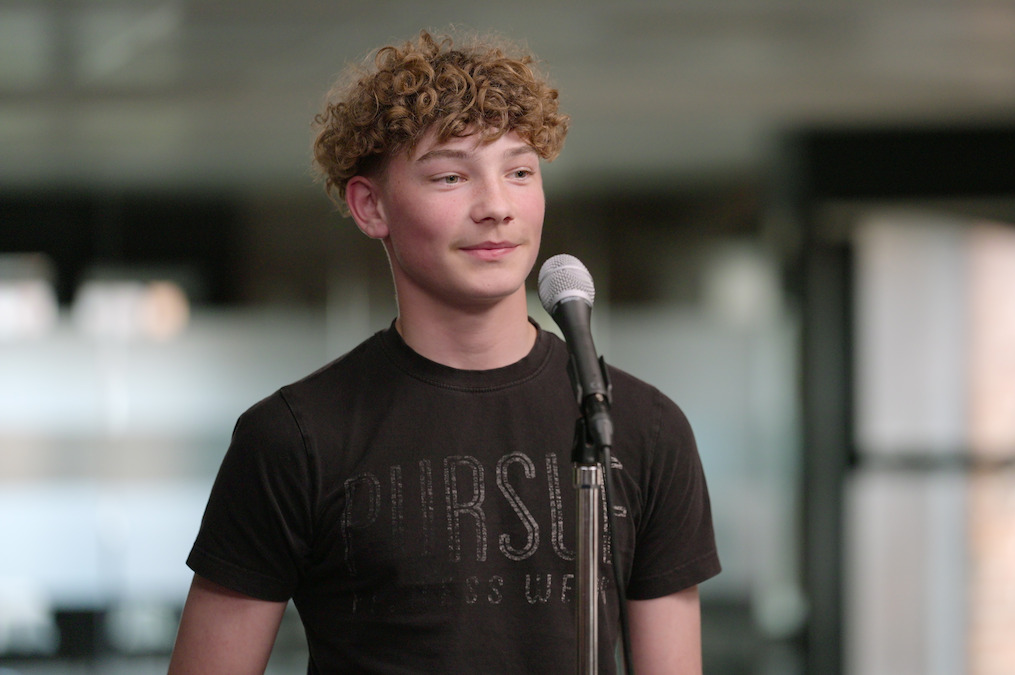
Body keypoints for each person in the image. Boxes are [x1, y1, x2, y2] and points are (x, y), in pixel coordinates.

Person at [168, 29, 720, 674]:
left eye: (519, 172)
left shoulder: (642, 427)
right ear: (370, 206)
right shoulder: (294, 436)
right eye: (452, 176)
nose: (497, 208)